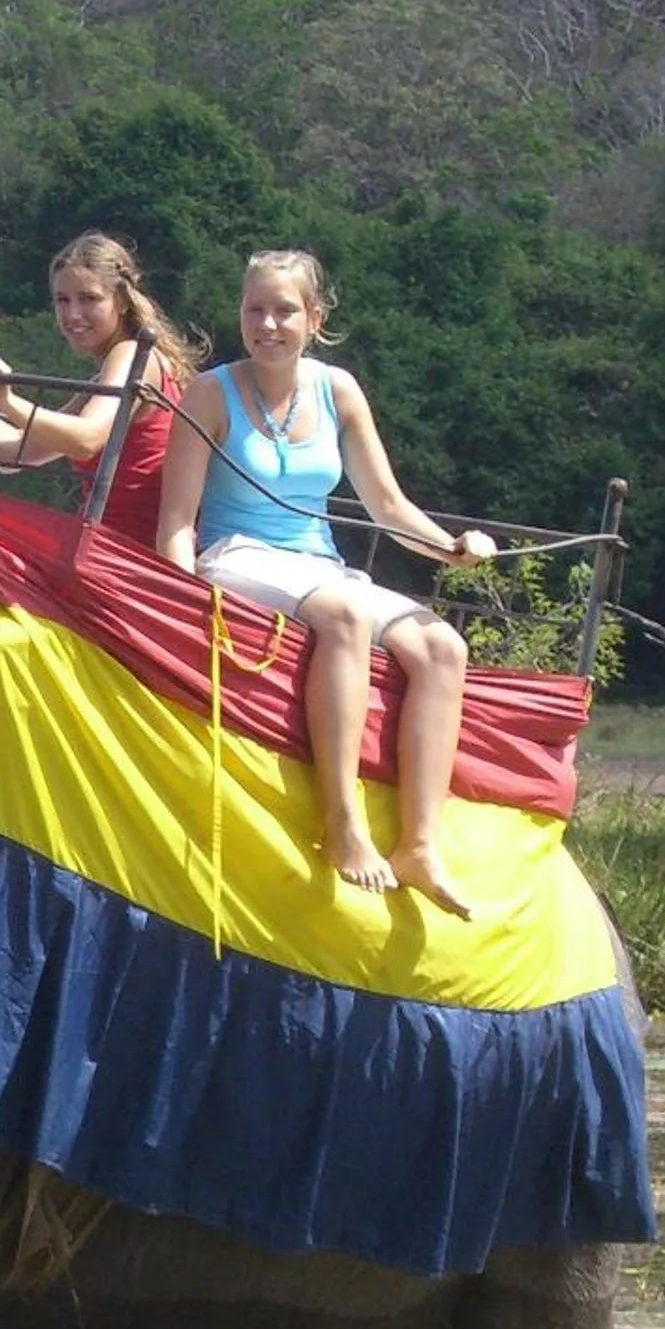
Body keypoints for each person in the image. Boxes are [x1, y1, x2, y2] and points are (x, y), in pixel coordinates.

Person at [156, 249, 497, 920]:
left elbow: (388, 506)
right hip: (236, 553)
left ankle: (420, 845)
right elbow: (176, 523)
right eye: (254, 309)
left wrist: (453, 549)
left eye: (284, 310)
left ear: (314, 318)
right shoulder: (210, 394)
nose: (267, 324)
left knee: (443, 648)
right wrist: (179, 605)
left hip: (317, 564)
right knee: (344, 613)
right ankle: (342, 822)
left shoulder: (338, 390)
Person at [0, 233, 200, 550]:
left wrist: (7, 400)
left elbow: (86, 439)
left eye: (89, 298)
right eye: (62, 300)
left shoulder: (132, 355)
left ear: (122, 301)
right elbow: (13, 454)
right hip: (102, 546)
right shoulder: (110, 373)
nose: (73, 314)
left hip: (124, 557)